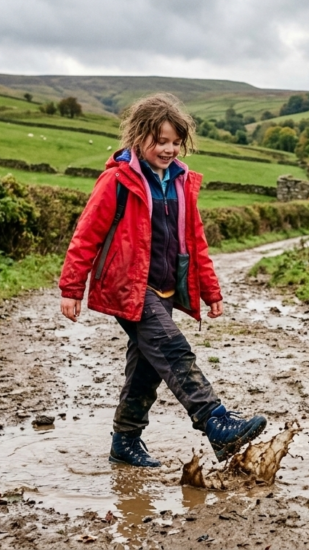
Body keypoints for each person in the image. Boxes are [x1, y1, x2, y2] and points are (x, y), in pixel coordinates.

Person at [58, 93, 266, 467]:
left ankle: (125, 441)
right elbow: (86, 235)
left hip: (167, 289)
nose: (169, 149)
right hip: (130, 288)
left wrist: (211, 290)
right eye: (161, 141)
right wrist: (71, 288)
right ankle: (214, 420)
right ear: (139, 138)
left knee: (147, 368)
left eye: (175, 142)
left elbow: (195, 241)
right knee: (173, 350)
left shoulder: (182, 182)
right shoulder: (117, 180)